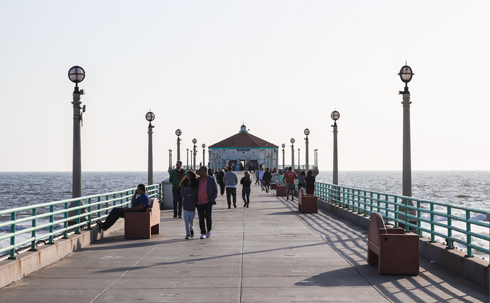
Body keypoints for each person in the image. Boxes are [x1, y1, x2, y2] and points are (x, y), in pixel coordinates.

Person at [197, 166, 218, 239]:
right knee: (201, 218)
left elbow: (215, 190)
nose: (199, 172)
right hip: (199, 202)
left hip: (208, 201)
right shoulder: (197, 180)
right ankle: (203, 232)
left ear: (205, 172)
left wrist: (211, 199)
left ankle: (208, 230)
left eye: (200, 170)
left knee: (208, 217)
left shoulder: (211, 179)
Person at [180, 170, 198, 239]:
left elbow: (194, 194)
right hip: (186, 203)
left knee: (191, 219)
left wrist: (187, 190)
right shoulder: (184, 183)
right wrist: (188, 190)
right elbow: (182, 194)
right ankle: (187, 234)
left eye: (189, 175)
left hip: (192, 203)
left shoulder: (195, 184)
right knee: (186, 219)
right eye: (186, 175)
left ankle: (191, 229)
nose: (187, 176)